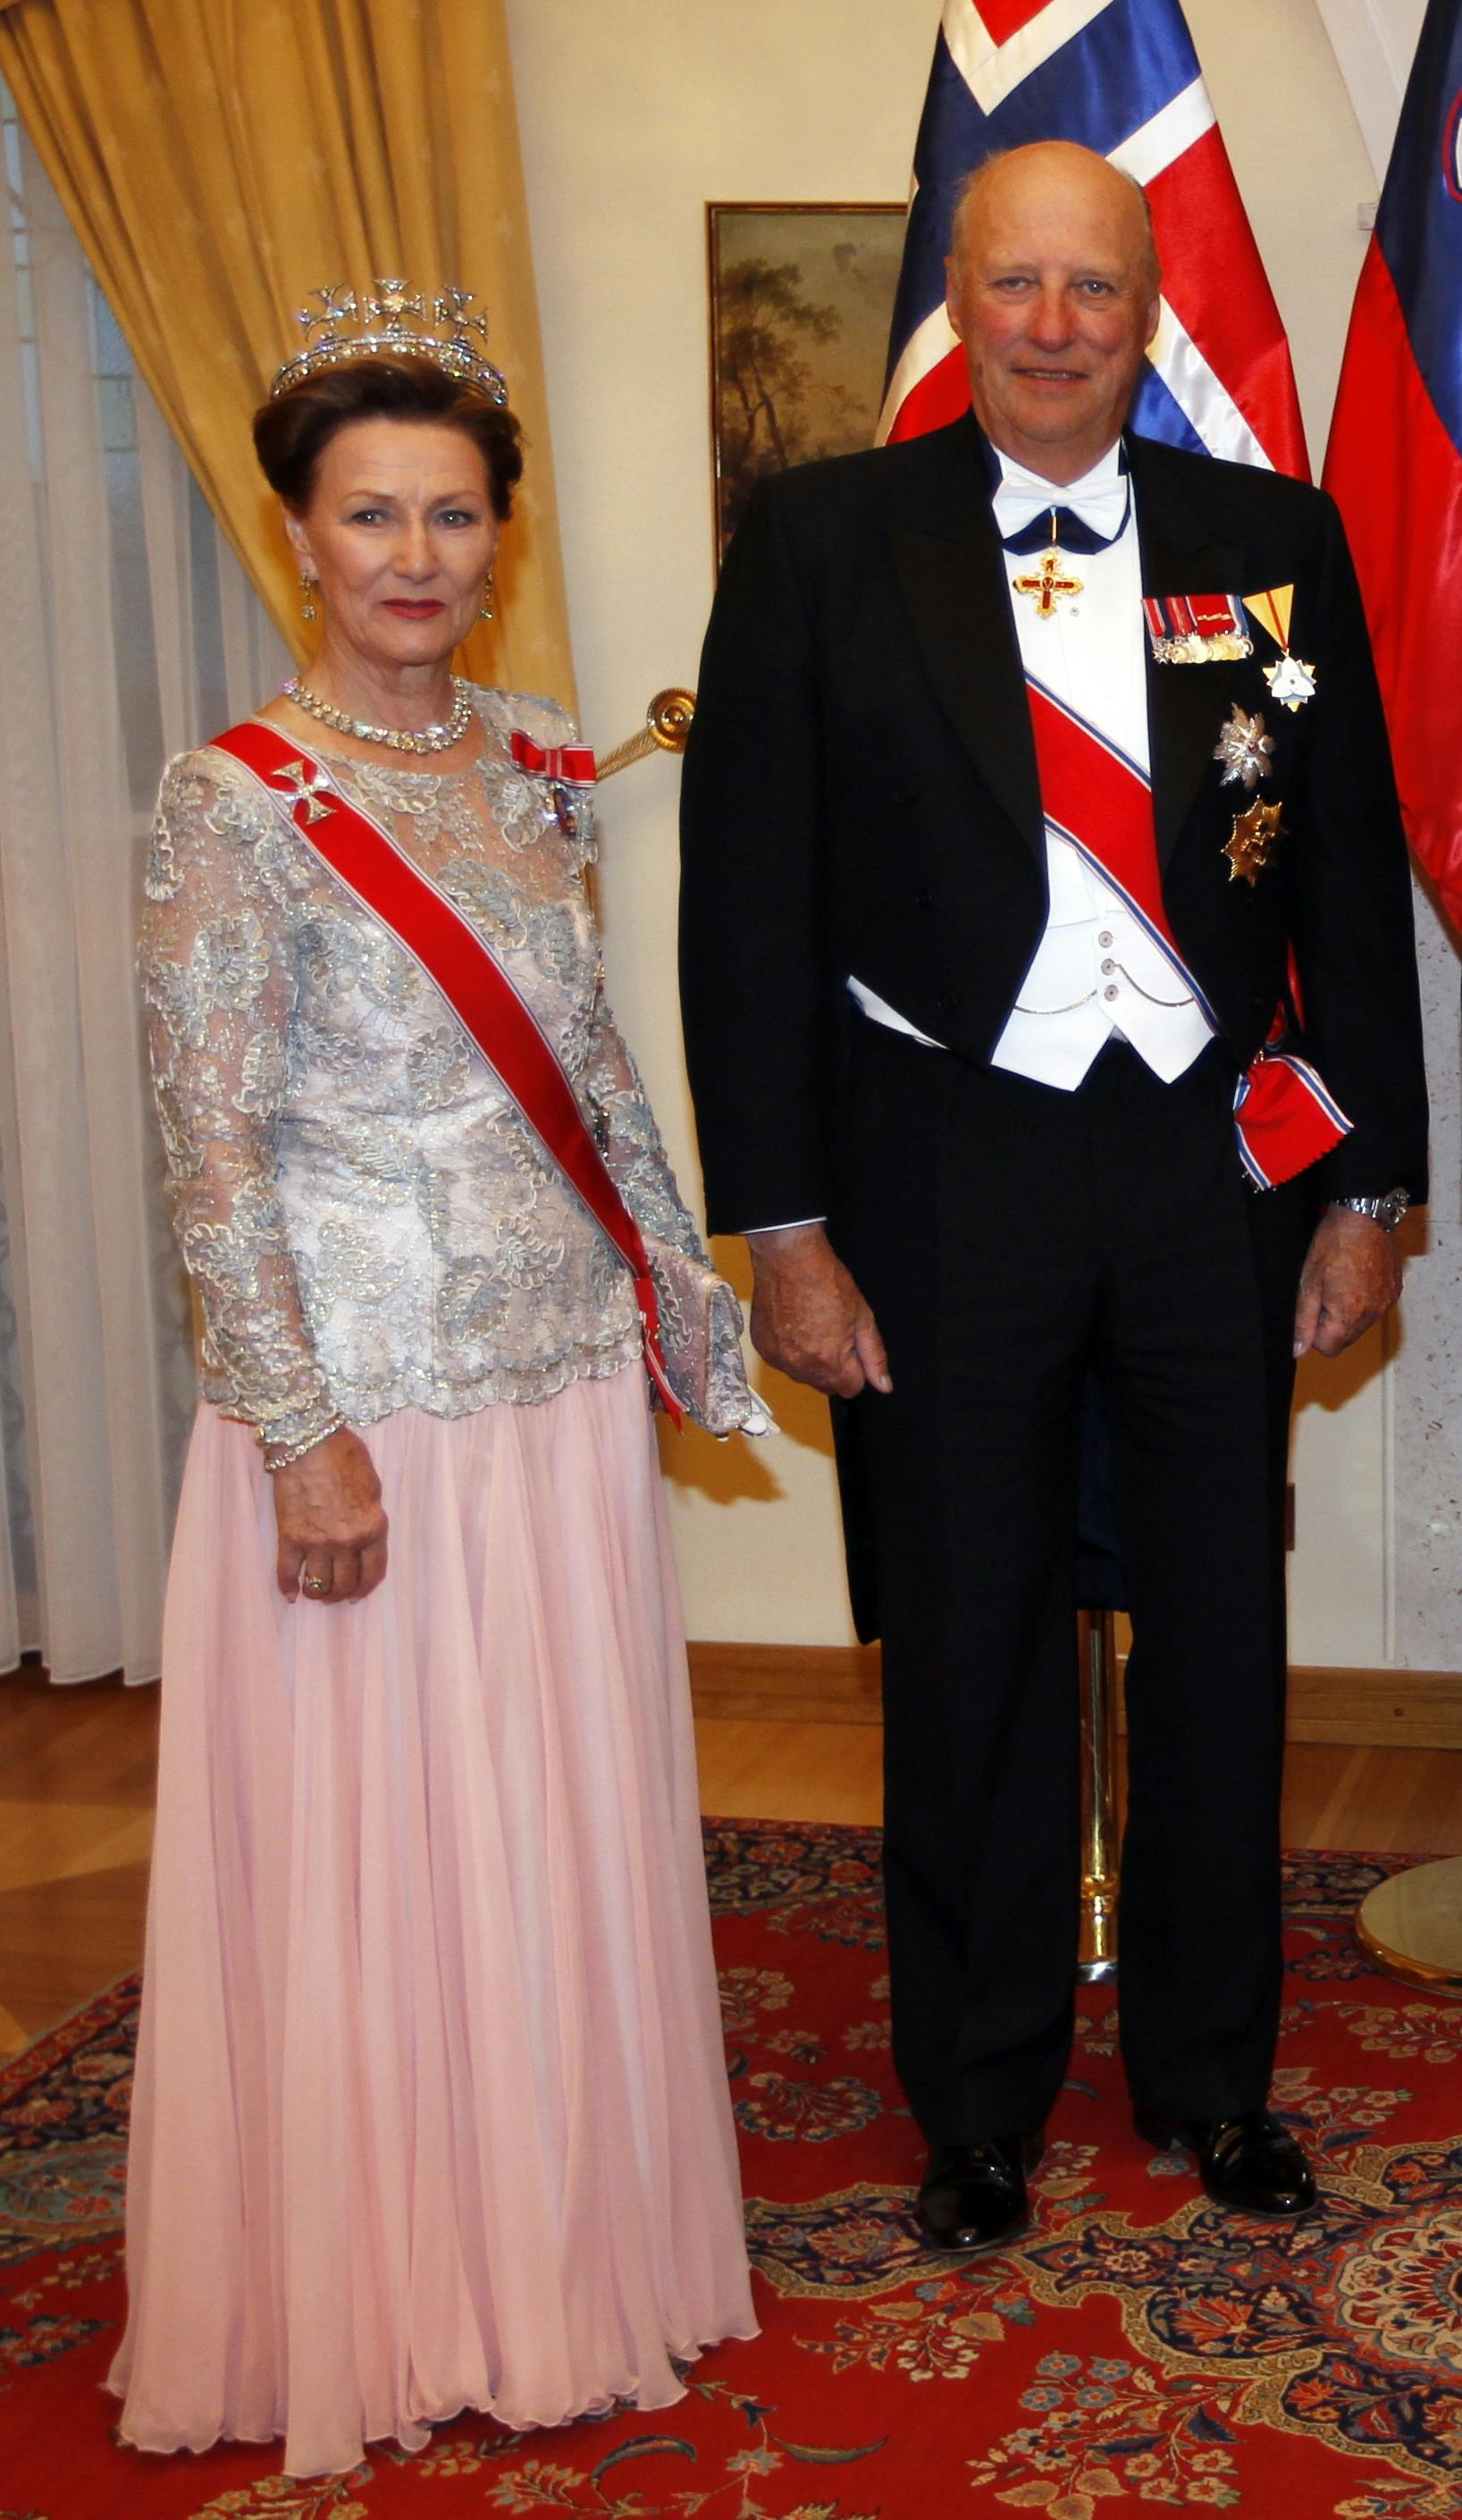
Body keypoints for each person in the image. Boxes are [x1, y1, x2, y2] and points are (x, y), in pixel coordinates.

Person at [679, 143, 1427, 2253]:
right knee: (967, 1637)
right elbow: (745, 912)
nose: (1050, 324)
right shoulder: (823, 541)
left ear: (1147, 303)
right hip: (938, 1166)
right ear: (958, 292)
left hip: (1205, 1170)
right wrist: (784, 1229)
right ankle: (978, 2095)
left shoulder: (1266, 543)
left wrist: (1369, 1179)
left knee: (1216, 1633)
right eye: (1010, 283)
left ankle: (1208, 2082)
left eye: (1091, 287)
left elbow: (1343, 881)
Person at [109, 297, 760, 2477]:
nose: (413, 553)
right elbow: (207, 1148)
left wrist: (678, 1293)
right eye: (370, 514)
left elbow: (586, 1061)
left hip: (553, 1392)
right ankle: (381, 2289)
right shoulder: (232, 805)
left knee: (544, 1835)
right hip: (370, 1413)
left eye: (452, 516)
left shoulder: (536, 759)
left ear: (498, 538)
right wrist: (297, 1434)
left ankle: (567, 2242)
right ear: (300, 535)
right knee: (387, 1864)